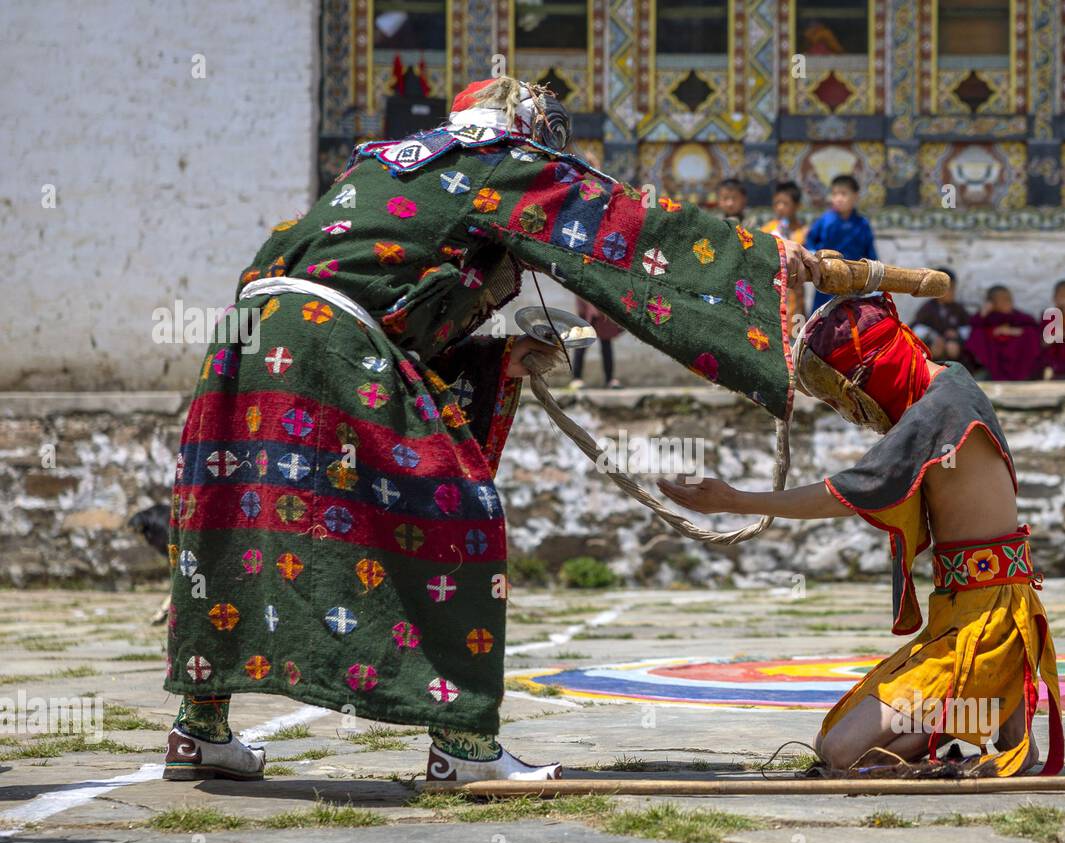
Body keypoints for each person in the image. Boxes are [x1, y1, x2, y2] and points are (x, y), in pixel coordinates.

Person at [163, 76, 822, 784]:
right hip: (326, 339)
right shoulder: (497, 159)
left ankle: (200, 726)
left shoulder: (386, 158)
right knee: (456, 515)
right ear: (525, 123)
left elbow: (382, 290)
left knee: (229, 522)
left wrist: (497, 357)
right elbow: (630, 230)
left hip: (248, 335)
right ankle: (463, 746)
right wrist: (768, 263)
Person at [660, 294, 1063, 777]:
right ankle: (993, 713)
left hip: (988, 625)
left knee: (841, 751)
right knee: (832, 740)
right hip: (971, 611)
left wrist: (737, 500)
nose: (858, 412)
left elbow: (847, 492)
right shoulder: (955, 382)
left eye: (854, 393)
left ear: (881, 367)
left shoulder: (937, 412)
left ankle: (989, 707)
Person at [804, 174, 878, 313]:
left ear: (855, 196)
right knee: (821, 319)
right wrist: (814, 257)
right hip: (826, 279)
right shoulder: (825, 220)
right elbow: (810, 241)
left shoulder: (862, 224)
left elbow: (871, 254)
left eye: (843, 194)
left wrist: (874, 283)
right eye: (835, 194)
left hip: (854, 281)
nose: (838, 198)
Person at [967, 284, 1044, 381]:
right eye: (1002, 299)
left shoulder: (1020, 318)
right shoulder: (986, 319)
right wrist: (984, 314)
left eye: (1009, 298)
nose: (1008, 302)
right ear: (992, 303)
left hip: (1020, 364)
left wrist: (1014, 331)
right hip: (994, 365)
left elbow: (1033, 333)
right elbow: (975, 334)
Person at [760, 181, 808, 319]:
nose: (780, 207)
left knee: (796, 335)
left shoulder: (803, 232)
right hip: (771, 294)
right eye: (777, 203)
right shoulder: (766, 230)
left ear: (797, 206)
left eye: (785, 203)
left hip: (795, 296)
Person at [909, 267, 971, 366]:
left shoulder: (958, 309)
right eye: (949, 289)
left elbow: (968, 328)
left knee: (952, 348)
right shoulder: (927, 308)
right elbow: (916, 328)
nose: (952, 292)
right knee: (935, 349)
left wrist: (957, 334)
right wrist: (933, 336)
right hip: (933, 345)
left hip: (954, 345)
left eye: (953, 288)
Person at [569, 299, 622, 389]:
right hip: (586, 308)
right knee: (582, 342)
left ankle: (609, 379)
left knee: (606, 343)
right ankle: (576, 378)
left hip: (602, 309)